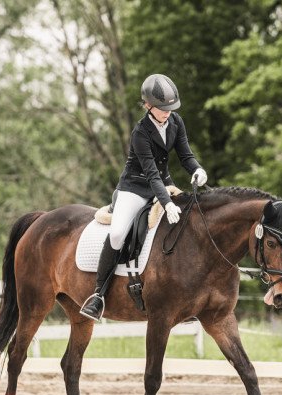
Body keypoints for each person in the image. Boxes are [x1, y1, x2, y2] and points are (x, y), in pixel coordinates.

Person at [80, 73, 208, 321]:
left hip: (164, 184)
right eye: (162, 109)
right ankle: (98, 295)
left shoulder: (176, 122)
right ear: (149, 105)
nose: (167, 112)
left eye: (170, 108)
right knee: (117, 234)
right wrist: (167, 202)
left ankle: (188, 297)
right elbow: (150, 173)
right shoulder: (140, 132)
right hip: (135, 188)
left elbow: (185, 155)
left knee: (187, 225)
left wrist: (197, 169)